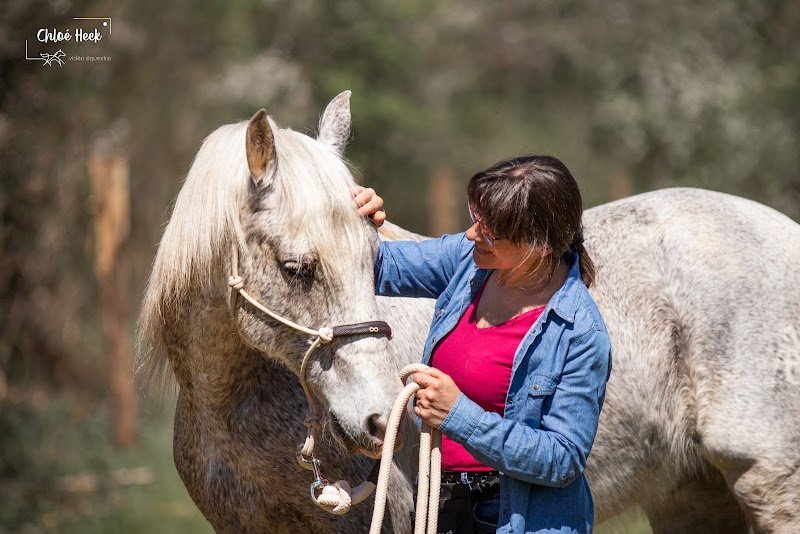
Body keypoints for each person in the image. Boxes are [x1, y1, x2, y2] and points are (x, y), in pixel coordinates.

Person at [354, 155, 612, 534]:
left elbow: (562, 459)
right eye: (476, 217)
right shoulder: (470, 259)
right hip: (440, 506)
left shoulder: (580, 332)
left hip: (514, 518)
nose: (473, 235)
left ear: (539, 246)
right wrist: (351, 220)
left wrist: (456, 414)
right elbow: (379, 267)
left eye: (491, 232)